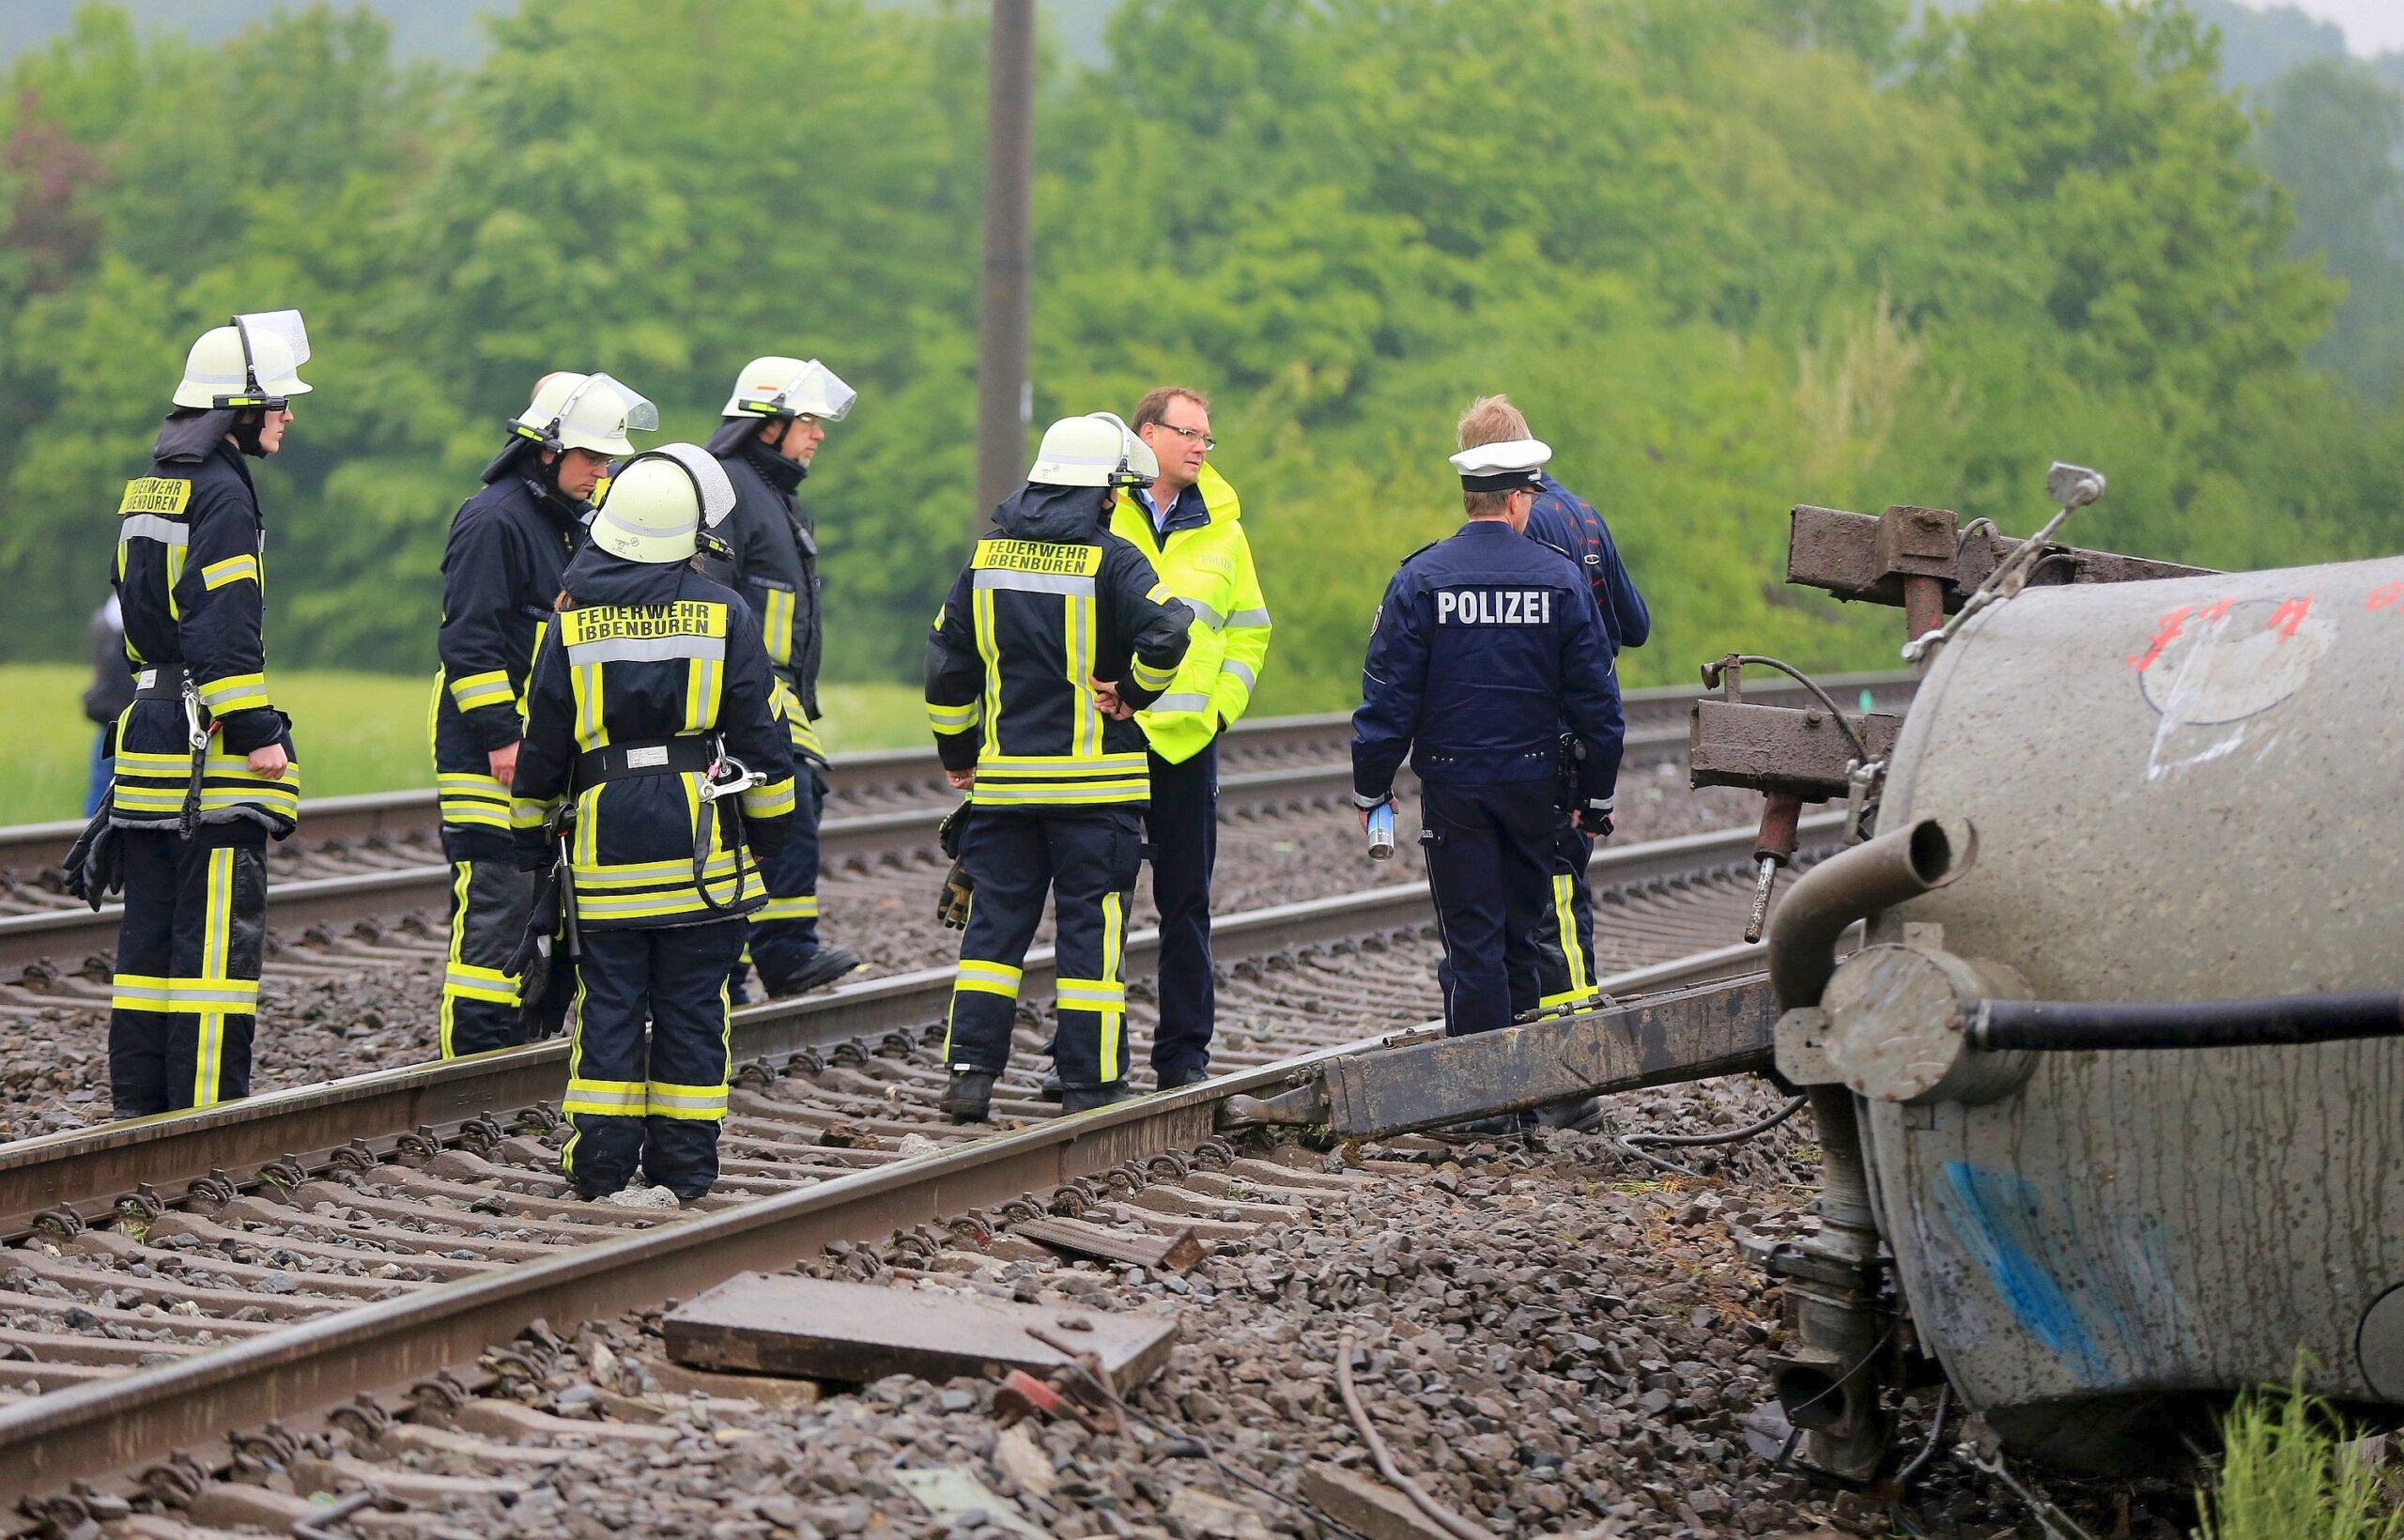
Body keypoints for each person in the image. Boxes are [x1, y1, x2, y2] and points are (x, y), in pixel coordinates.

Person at [509, 444, 796, 1207]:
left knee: (608, 1006)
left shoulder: (571, 625)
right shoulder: (723, 613)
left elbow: (544, 745)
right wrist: (768, 837)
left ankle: (600, 1167)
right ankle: (686, 1168)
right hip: (702, 844)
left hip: (605, 846)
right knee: (695, 1008)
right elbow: (764, 739)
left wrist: (532, 837)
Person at [924, 413, 1194, 1121]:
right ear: (1103, 493)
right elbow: (1172, 628)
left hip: (1006, 791)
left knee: (992, 935)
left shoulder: (983, 562)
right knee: (1091, 935)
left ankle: (969, 1077)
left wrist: (959, 754)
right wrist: (1132, 694)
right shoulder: (1116, 560)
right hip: (1096, 795)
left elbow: (947, 670)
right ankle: (1091, 1081)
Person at [103, 311, 311, 1118]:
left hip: (148, 727)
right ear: (241, 410)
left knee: (149, 937)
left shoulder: (149, 483)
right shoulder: (225, 495)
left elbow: (136, 608)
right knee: (216, 943)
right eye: (279, 404)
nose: (288, 416)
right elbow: (224, 630)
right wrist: (259, 735)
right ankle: (202, 1116)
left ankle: (140, 1110)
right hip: (208, 748)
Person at [1350, 435, 1623, 1039]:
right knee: (1521, 941)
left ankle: (1480, 1104)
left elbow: (1388, 697)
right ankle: (1522, 1096)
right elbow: (1598, 703)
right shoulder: (1561, 580)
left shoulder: (1420, 578)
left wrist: (1373, 786)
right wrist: (1595, 794)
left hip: (1455, 787)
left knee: (1472, 943)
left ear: (1470, 498)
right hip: (1535, 786)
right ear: (1519, 500)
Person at [431, 372, 654, 1057]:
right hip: (491, 759)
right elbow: (470, 642)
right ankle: (468, 1068)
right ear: (549, 451)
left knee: (536, 911)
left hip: (541, 756)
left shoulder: (562, 525)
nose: (603, 472)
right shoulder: (495, 519)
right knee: (496, 912)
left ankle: (511, 1058)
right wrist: (502, 738)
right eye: (593, 458)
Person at [1089, 386, 1271, 1092]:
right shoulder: (1100, 509)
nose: (1200, 446)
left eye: (1207, 437)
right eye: (1187, 433)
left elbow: (1250, 630)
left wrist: (1219, 709)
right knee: (1099, 899)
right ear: (1146, 435)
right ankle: (1090, 1052)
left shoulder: (1226, 528)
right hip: (1111, 735)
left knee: (1185, 904)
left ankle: (1183, 1054)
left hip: (1187, 742)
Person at [1454, 394, 1648, 1009]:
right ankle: (1553, 1051)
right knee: (1562, 897)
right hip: (1585, 738)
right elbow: (1635, 625)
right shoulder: (1586, 517)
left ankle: (1564, 1065)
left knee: (1544, 906)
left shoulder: (1516, 530)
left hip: (1538, 745)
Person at [701, 358, 862, 999]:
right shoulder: (731, 489)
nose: (817, 435)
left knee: (777, 807)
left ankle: (749, 961)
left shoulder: (773, 494)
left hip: (776, 690)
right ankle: (778, 954)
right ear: (767, 426)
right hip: (749, 688)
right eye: (807, 422)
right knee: (781, 800)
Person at [82, 596, 134, 816]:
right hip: (132, 718)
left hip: (110, 717)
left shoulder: (112, 610)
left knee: (100, 784)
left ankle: (87, 838)